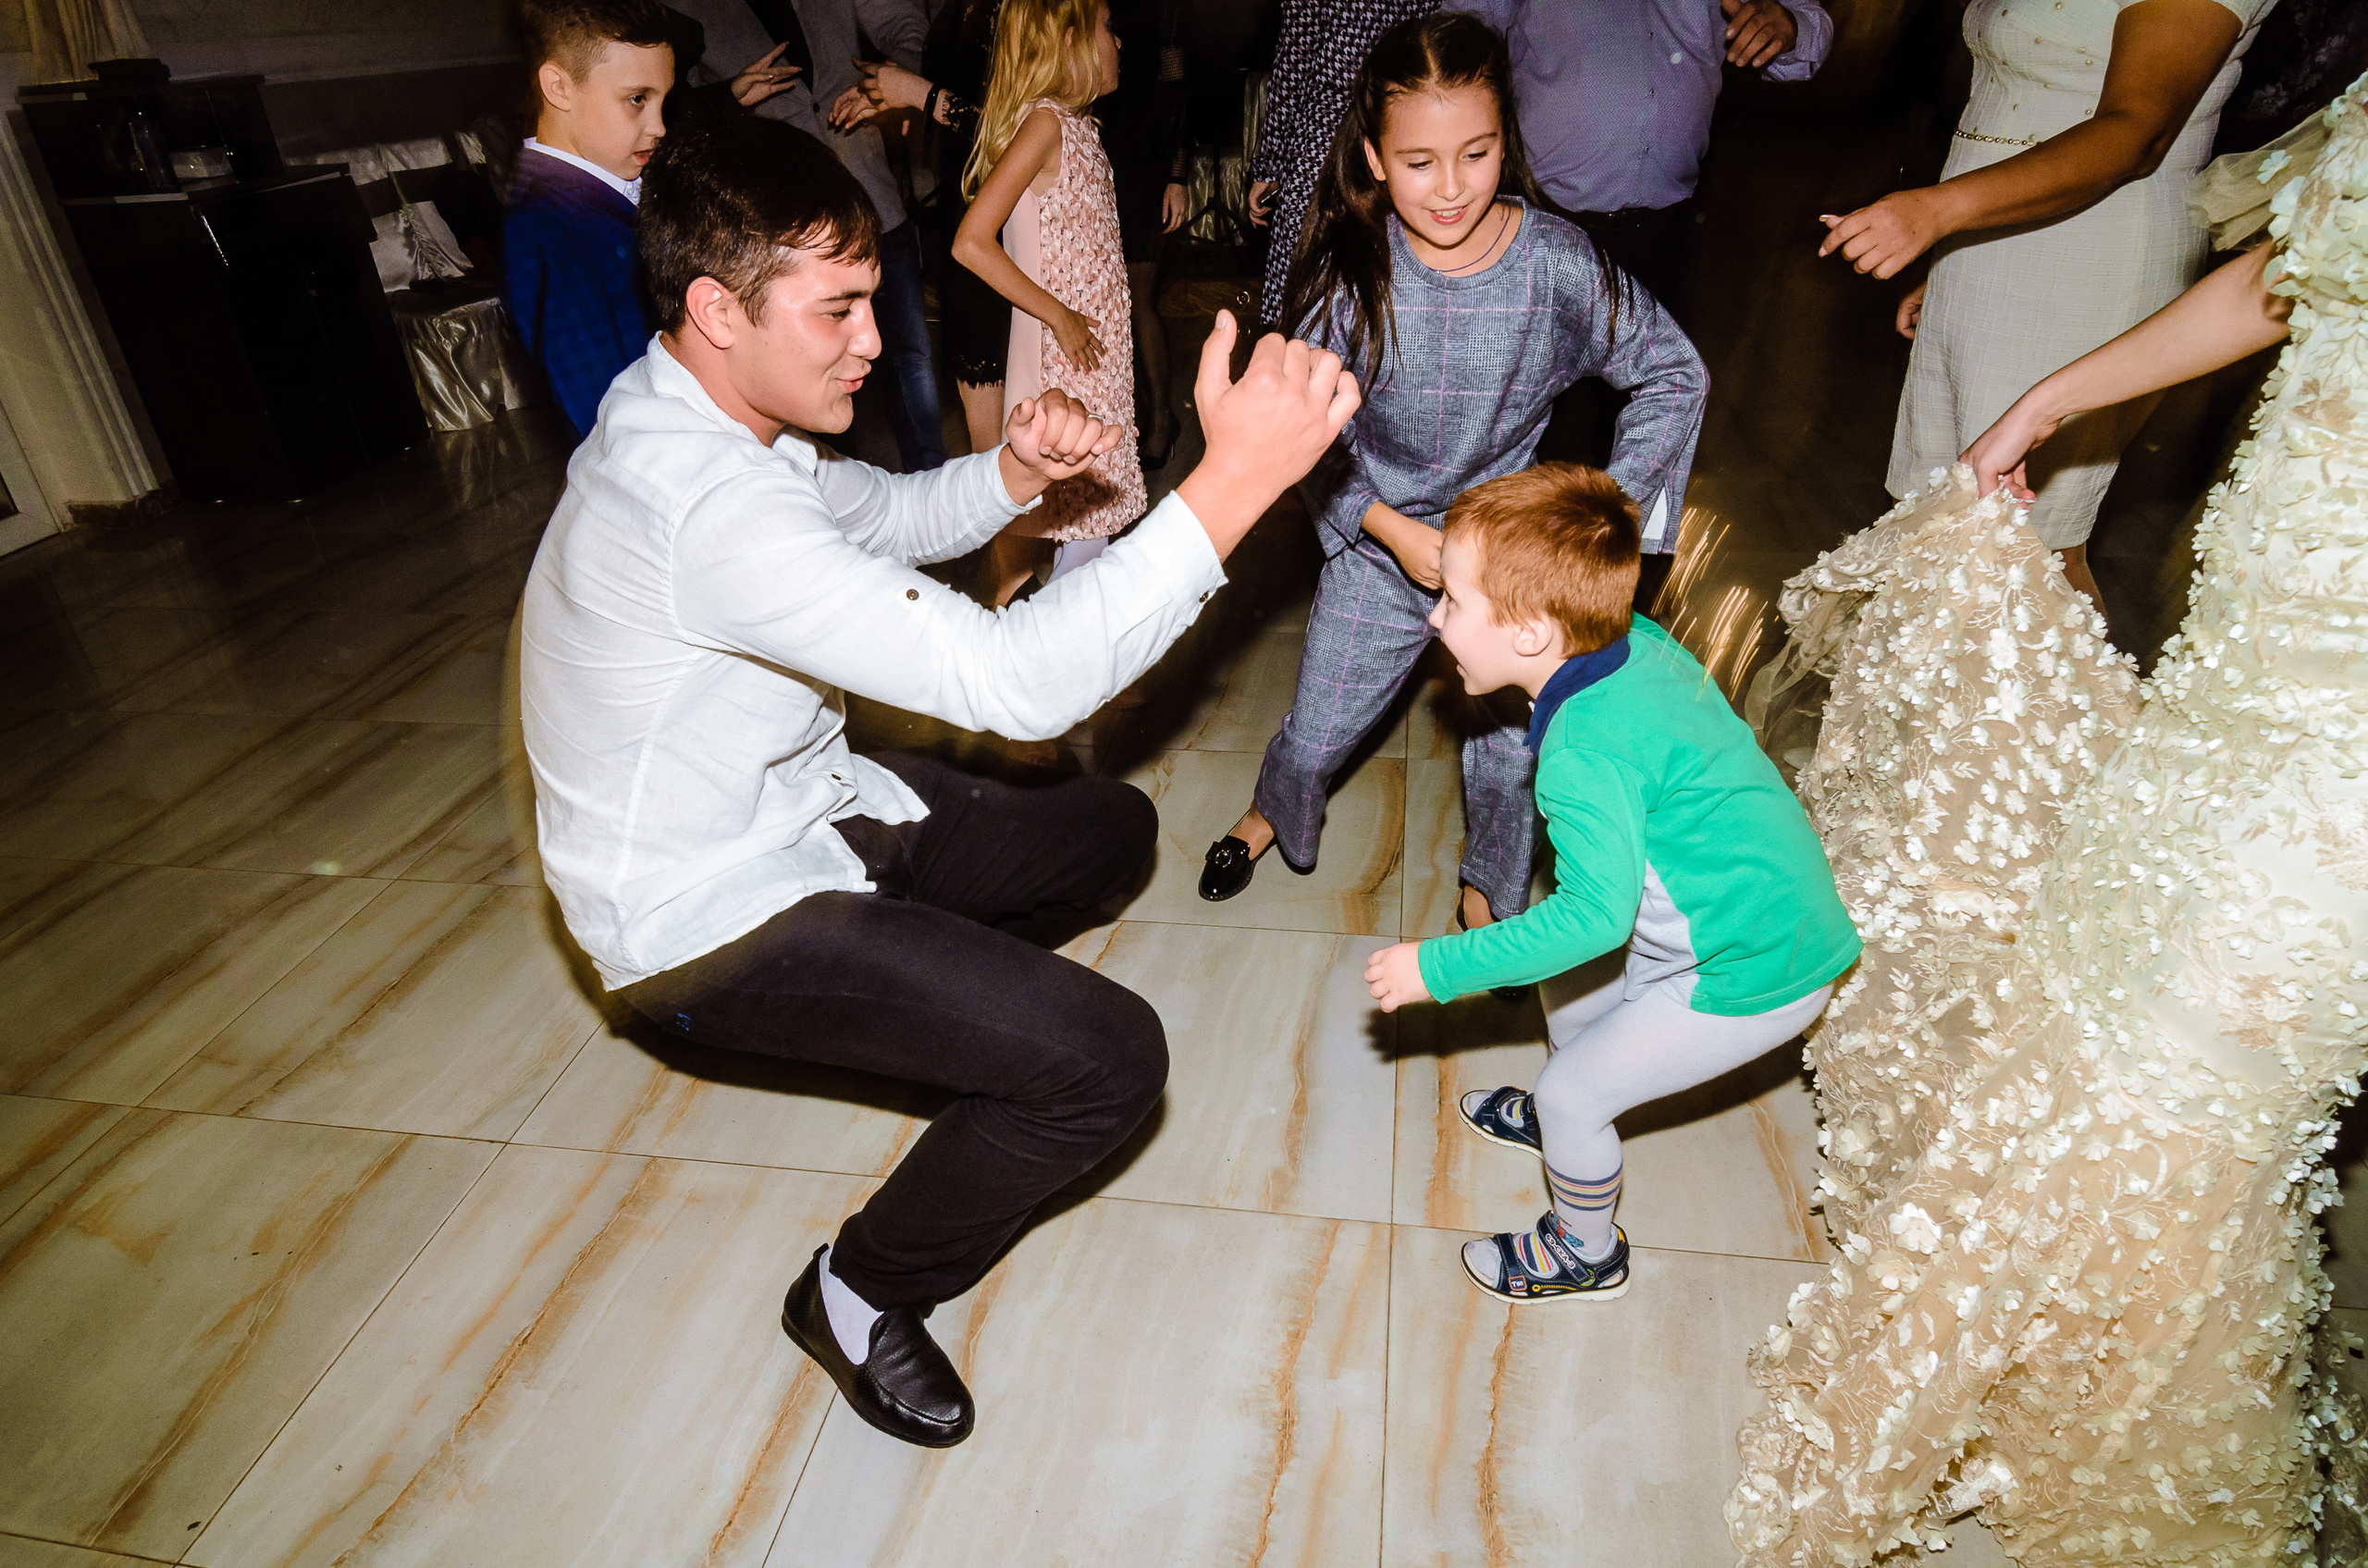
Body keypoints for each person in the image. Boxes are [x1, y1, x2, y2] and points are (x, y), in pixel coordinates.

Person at [518, 114, 1359, 1451]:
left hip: (812, 807)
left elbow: (889, 521)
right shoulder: (699, 503)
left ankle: (936, 1007)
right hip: (705, 919)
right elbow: (1019, 682)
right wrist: (1232, 483)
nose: (875, 334)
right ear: (713, 310)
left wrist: (1014, 472)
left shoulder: (712, 410)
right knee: (1107, 1059)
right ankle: (853, 1290)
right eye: (841, 307)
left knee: (1110, 832)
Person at [1730, 84, 2368, 1565]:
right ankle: (2056, 1401)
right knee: (2095, 1001)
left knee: (2195, 1082)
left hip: (2342, 762)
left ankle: (2142, 1468)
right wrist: (2055, 395)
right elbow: (2290, 274)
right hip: (2240, 679)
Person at [1197, 12, 1708, 936]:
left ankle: (1490, 892)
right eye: (1419, 162)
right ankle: (1273, 811)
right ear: (1373, 156)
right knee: (1315, 731)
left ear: (1504, 139)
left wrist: (1604, 520)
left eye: (1475, 154)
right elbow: (1300, 442)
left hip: (1508, 553)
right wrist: (1386, 528)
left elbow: (1675, 373)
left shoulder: (1556, 262)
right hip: (1380, 535)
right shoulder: (1351, 275)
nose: (1449, 188)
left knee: (1513, 757)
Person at [1363, 465, 1859, 1303]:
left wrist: (1437, 969)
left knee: (1570, 1094)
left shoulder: (1581, 755)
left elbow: (1596, 917)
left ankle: (1587, 1249)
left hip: (1755, 969)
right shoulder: (1630, 640)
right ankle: (1578, 1097)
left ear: (1528, 632)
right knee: (1574, 995)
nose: (1434, 614)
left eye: (1452, 599)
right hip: (1747, 909)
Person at [1819, 0, 2276, 607]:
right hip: (1998, 240)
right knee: (1943, 521)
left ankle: (2040, 703)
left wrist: (1939, 210)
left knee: (2027, 549)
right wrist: (1962, 252)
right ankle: (1942, 698)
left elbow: (2137, 130)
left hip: (2088, 254)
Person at [669, 0, 949, 474]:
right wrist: (728, 97)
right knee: (814, 372)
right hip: (787, 229)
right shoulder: (684, 9)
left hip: (874, 200)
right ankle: (832, 500)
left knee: (910, 354)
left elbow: (904, 23)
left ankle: (932, 483)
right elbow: (670, 110)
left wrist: (896, 81)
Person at [1462, 0, 1832, 315]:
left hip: (1666, 228)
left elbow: (1809, 30)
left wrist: (1789, 25)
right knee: (1526, 391)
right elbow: (1462, 33)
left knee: (1651, 393)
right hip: (1539, 222)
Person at [952, 0, 1144, 603]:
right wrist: (1058, 315)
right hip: (1065, 366)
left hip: (1098, 359)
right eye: (1108, 29)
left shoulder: (1083, 127)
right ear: (1070, 42)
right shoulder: (1046, 125)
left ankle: (1028, 636)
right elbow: (971, 242)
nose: (1119, 42)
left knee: (1081, 515)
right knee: (1070, 517)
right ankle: (1052, 653)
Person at [500, 0, 674, 439]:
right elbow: (604, 415)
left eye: (662, 101)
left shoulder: (620, 184)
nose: (659, 126)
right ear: (559, 88)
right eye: (637, 100)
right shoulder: (543, 228)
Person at [1247, 0, 1437, 330]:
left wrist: (1268, 166)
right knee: (1382, 278)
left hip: (1325, 136)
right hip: (1396, 128)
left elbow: (1295, 61)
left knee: (1299, 289)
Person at [1099, 0, 1190, 470]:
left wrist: (1177, 175)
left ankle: (1161, 419)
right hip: (1096, 147)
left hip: (1146, 161)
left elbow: (1177, 89)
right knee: (1104, 298)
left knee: (1139, 297)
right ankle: (1121, 416)